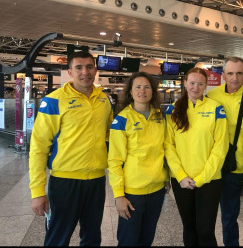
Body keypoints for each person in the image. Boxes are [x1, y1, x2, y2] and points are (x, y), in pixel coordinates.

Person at [29, 51, 113, 246]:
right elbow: (38, 147)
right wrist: (37, 191)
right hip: (64, 182)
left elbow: (110, 138)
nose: (85, 72)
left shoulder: (104, 100)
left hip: (97, 181)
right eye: (79, 67)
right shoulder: (53, 101)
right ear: (69, 72)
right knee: (58, 237)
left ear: (95, 69)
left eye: (89, 67)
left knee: (92, 237)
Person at [164, 67, 229, 246]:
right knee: (189, 228)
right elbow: (169, 146)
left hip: (210, 180)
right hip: (181, 180)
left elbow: (220, 147)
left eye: (200, 84)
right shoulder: (173, 110)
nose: (195, 87)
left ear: (206, 86)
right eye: (192, 83)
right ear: (185, 83)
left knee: (205, 230)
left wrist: (201, 178)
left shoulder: (216, 109)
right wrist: (181, 176)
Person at [206, 57, 243, 246]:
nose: (235, 78)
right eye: (230, 73)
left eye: (239, 73)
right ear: (223, 75)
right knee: (228, 217)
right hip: (227, 168)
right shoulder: (212, 96)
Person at [108, 72, 170, 246]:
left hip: (156, 190)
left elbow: (163, 150)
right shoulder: (121, 120)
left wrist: (166, 178)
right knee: (128, 240)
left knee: (146, 239)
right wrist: (119, 195)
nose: (142, 91)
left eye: (147, 87)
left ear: (153, 91)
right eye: (138, 87)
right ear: (130, 92)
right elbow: (114, 161)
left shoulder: (160, 117)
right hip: (132, 193)